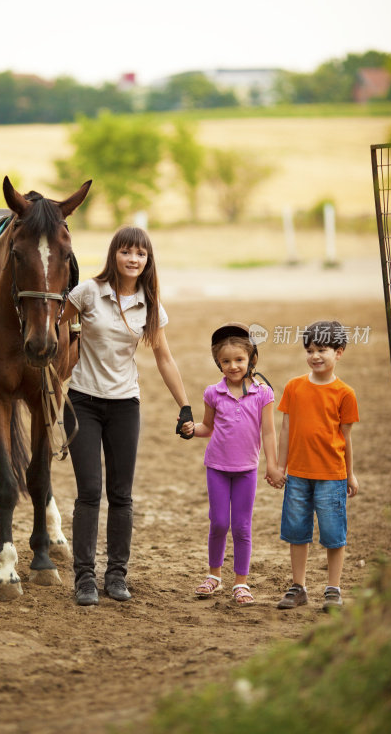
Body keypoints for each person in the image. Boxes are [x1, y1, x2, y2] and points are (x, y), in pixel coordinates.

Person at [60, 226, 193, 606]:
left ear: (147, 261)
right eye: (126, 252)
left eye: (141, 254)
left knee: (121, 495)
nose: (133, 259)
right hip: (82, 402)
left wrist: (183, 404)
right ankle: (84, 578)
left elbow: (163, 357)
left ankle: (116, 575)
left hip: (125, 406)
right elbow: (58, 330)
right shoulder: (87, 292)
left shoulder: (149, 305)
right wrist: (54, 384)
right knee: (89, 492)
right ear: (113, 255)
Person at [181, 323, 284, 605]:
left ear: (251, 359)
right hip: (217, 467)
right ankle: (214, 575)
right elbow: (208, 427)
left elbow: (269, 433)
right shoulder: (213, 393)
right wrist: (192, 429)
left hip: (246, 470)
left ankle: (241, 582)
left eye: (239, 360)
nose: (233, 366)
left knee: (241, 526)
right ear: (218, 363)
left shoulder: (263, 393)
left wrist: (272, 466)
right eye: (225, 361)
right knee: (218, 523)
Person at [276, 320, 359, 613]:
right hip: (297, 475)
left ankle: (333, 588)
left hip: (331, 477)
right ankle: (298, 587)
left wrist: (350, 474)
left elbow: (346, 438)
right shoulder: (294, 387)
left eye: (322, 349)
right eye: (310, 350)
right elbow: (285, 430)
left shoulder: (345, 393)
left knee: (333, 534)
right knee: (297, 532)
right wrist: (278, 466)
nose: (315, 356)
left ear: (339, 352)